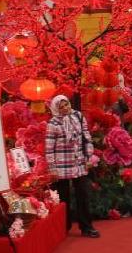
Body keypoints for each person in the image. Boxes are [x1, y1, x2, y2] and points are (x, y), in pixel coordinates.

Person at [45, 95, 99, 238]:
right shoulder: (53, 123)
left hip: (79, 163)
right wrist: (52, 168)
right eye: (61, 107)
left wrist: (88, 157)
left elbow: (86, 137)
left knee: (83, 195)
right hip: (61, 165)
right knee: (63, 198)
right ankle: (63, 227)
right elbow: (49, 148)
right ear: (56, 109)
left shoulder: (78, 116)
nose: (65, 108)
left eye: (66, 104)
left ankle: (86, 227)